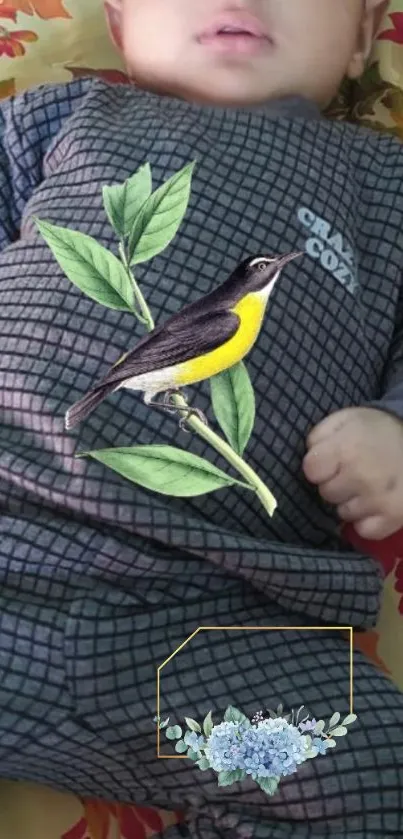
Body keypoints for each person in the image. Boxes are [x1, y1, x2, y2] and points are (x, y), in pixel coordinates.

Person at [1, 0, 402, 835]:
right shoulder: (61, 115)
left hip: (205, 640)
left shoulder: (387, 185)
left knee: (370, 773)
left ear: (365, 33)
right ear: (118, 22)